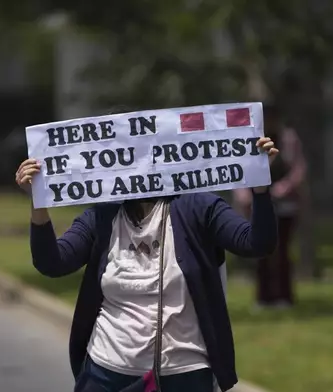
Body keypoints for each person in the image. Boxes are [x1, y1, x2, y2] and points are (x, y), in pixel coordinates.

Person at [15, 138, 279, 392]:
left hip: (183, 376)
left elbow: (256, 243)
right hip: (106, 374)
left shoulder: (198, 207)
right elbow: (52, 262)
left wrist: (260, 189)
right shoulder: (102, 215)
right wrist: (39, 202)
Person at [232, 104, 306, 309]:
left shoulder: (288, 139)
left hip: (285, 205)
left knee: (282, 251)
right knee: (261, 251)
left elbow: (298, 169)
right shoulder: (248, 139)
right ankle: (263, 297)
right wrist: (245, 196)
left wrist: (281, 189)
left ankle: (284, 296)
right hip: (258, 206)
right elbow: (239, 170)